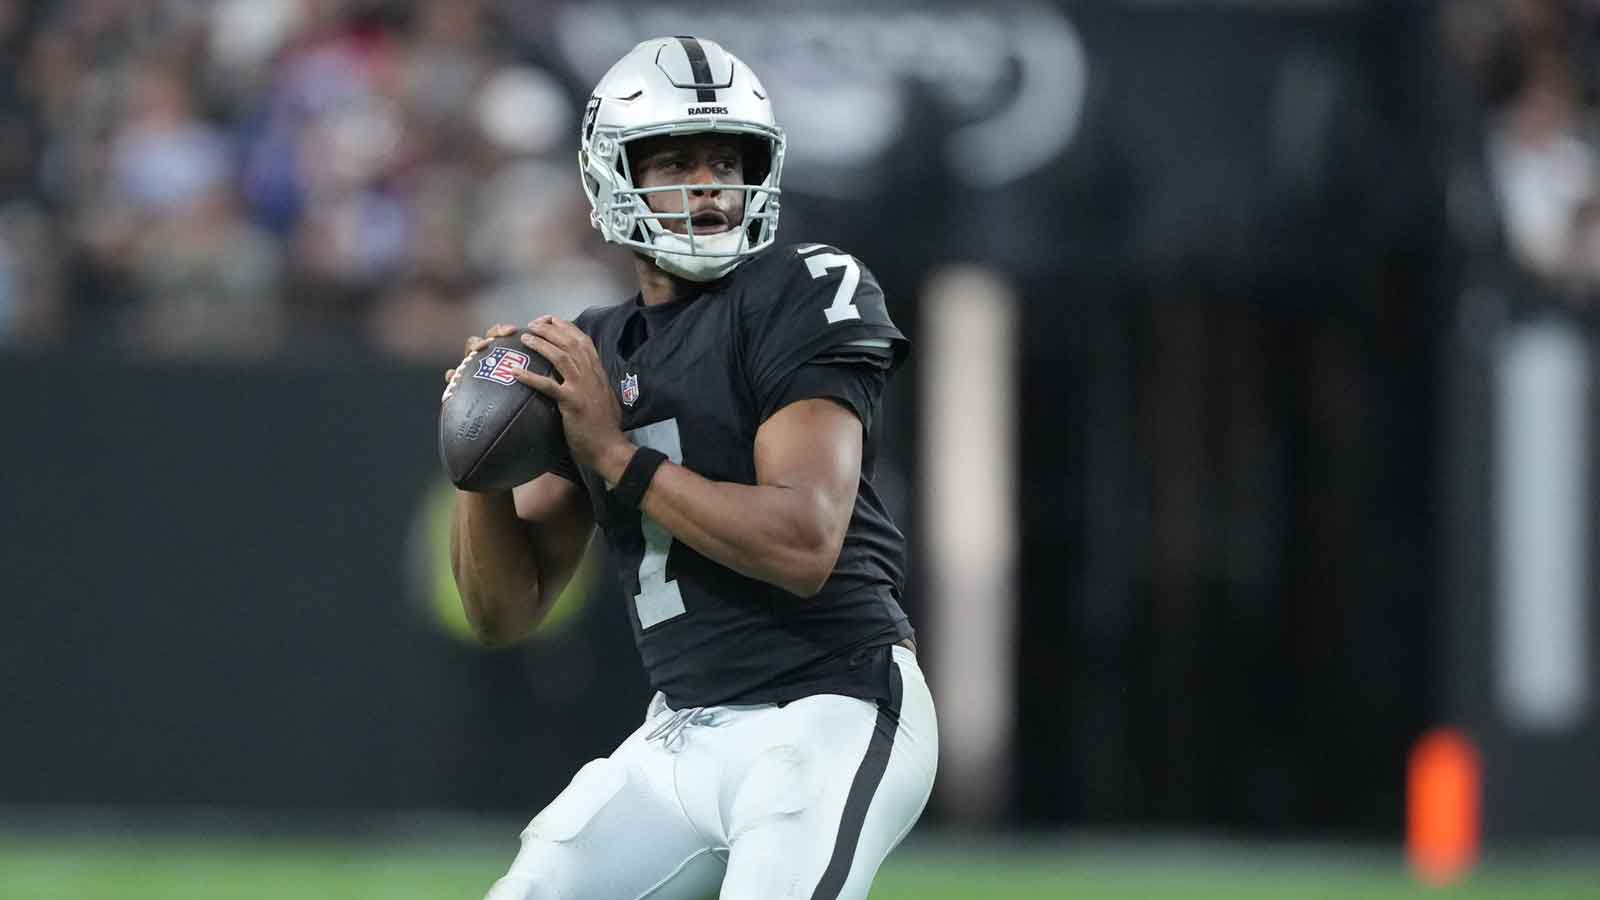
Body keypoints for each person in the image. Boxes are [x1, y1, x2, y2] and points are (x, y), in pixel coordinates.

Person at [444, 36, 937, 900]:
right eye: (675, 162)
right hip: (680, 734)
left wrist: (614, 453)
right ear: (611, 174)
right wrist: (478, 458)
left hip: (831, 706)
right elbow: (503, 613)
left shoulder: (801, 291)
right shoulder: (592, 348)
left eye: (726, 161)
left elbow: (803, 543)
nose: (708, 185)